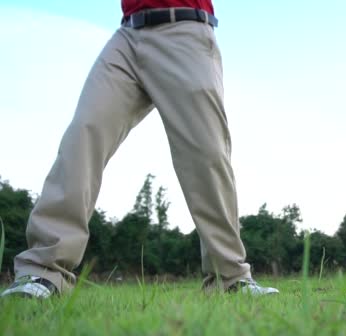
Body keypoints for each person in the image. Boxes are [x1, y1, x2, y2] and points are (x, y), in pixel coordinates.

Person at [1, 0, 278, 298]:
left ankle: (230, 278)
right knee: (83, 134)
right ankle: (43, 273)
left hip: (185, 31)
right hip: (127, 38)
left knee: (206, 156)